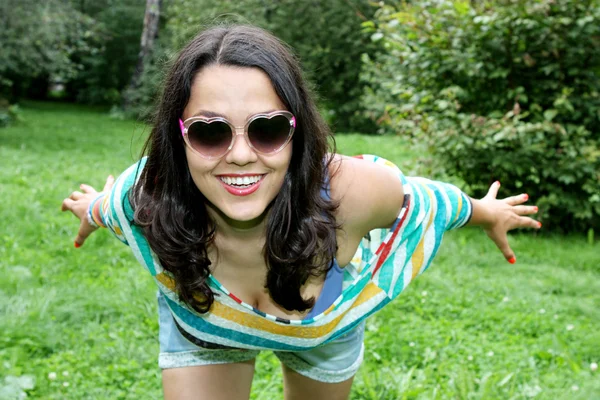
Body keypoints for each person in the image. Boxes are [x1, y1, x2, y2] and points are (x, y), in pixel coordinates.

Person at [61, 24, 540, 400]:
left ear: (299, 133)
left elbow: (433, 201)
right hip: (205, 326)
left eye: (267, 129)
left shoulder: (354, 192)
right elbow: (105, 208)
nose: (242, 155)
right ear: (178, 138)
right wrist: (91, 207)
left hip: (326, 333)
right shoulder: (143, 197)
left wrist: (485, 211)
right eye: (211, 132)